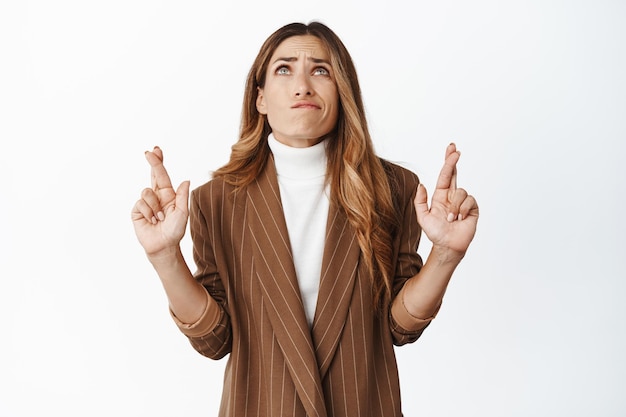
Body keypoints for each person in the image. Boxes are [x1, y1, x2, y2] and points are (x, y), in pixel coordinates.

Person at [131, 21, 478, 417]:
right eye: (284, 69)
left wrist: (446, 253)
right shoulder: (216, 200)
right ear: (259, 98)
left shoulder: (394, 187)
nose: (302, 85)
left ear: (343, 91)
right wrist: (164, 257)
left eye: (320, 69)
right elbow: (216, 340)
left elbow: (400, 326)